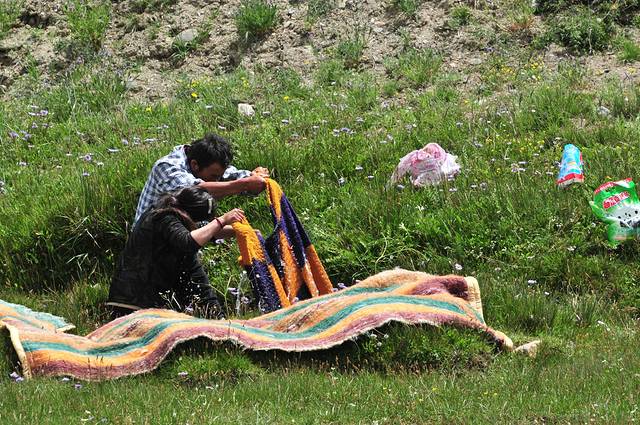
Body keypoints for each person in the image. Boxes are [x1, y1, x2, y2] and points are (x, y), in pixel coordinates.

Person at [108, 186, 245, 319]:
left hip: (148, 302)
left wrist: (242, 231)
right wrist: (222, 220)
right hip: (131, 301)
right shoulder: (164, 217)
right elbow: (189, 241)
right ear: (190, 215)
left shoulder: (174, 217)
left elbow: (204, 233)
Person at [134, 133, 269, 225]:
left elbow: (232, 175)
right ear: (195, 165)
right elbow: (197, 190)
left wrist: (253, 177)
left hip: (181, 234)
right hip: (151, 243)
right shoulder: (167, 167)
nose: (217, 180)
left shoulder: (206, 162)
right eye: (214, 176)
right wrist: (245, 184)